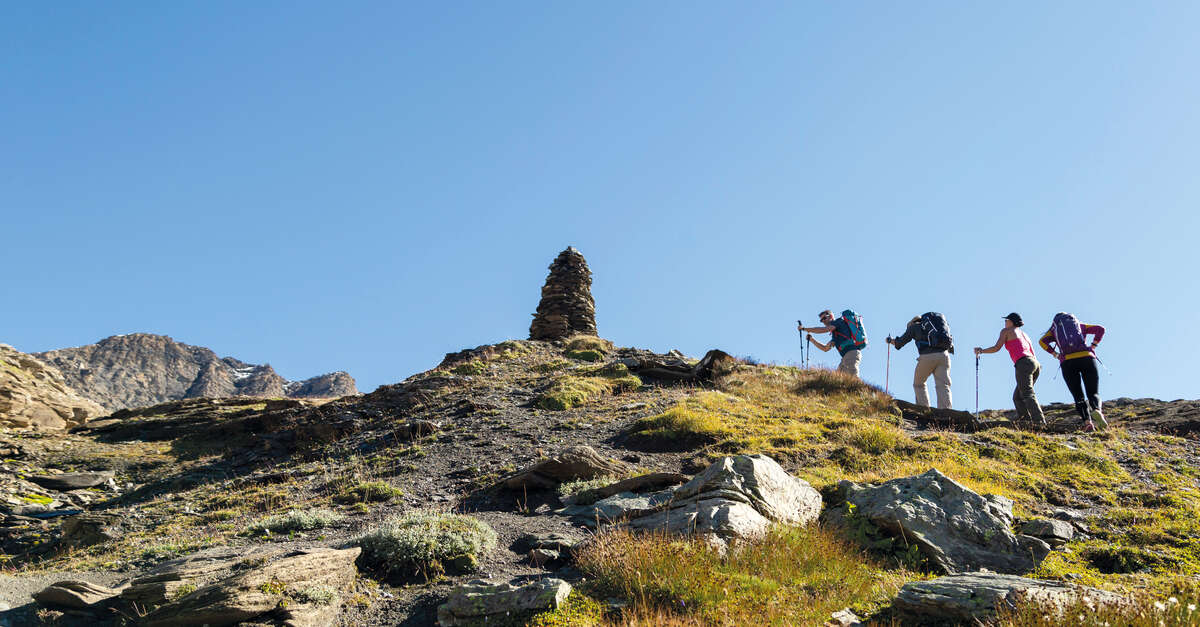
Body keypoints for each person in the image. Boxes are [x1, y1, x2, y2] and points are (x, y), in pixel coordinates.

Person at [974, 312, 1046, 427]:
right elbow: (1032, 352)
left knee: (1027, 394)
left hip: (1023, 363)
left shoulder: (1006, 331)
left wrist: (981, 351)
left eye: (1006, 320)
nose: (1004, 322)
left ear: (1011, 321)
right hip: (1035, 364)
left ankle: (1040, 421)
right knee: (1017, 397)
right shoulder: (1024, 334)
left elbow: (996, 348)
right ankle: (1026, 421)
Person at [1039, 313, 1108, 431]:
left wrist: (1055, 354)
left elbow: (1042, 342)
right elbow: (1100, 329)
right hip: (1087, 358)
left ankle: (1088, 423)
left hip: (1067, 362)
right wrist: (1093, 345)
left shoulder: (1054, 330)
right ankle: (1096, 410)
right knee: (1093, 392)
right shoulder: (1080, 325)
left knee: (1078, 396)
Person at [887, 313, 953, 409]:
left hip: (927, 357)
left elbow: (900, 342)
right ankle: (946, 411)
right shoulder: (935, 325)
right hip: (944, 356)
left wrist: (890, 340)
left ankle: (923, 408)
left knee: (919, 383)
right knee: (943, 384)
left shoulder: (914, 327)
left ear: (912, 323)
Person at [799, 309, 866, 377]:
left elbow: (824, 330)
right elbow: (825, 348)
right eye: (821, 320)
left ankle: (858, 387)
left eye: (824, 318)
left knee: (852, 377)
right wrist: (812, 339)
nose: (823, 321)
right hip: (845, 357)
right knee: (838, 378)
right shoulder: (836, 334)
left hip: (851, 353)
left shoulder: (838, 322)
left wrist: (804, 329)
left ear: (831, 316)